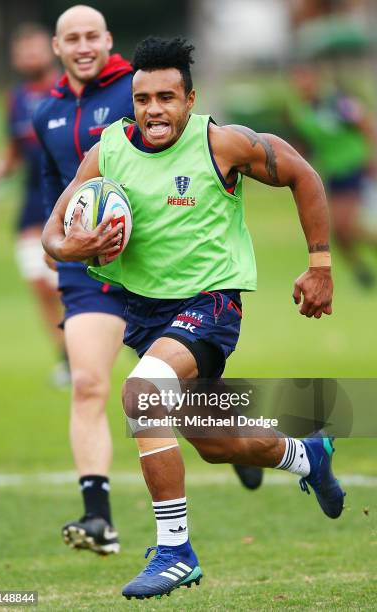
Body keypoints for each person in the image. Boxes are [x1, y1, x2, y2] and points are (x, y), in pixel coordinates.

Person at [41, 37, 345, 599]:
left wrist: (320, 265)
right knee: (215, 441)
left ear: (189, 99)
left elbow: (303, 173)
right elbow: (52, 235)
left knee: (142, 394)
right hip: (145, 317)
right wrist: (74, 247)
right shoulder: (108, 151)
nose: (153, 109)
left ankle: (176, 551)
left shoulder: (222, 144)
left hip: (210, 305)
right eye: (142, 98)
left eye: (166, 97)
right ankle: (309, 454)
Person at [33, 5, 135, 556]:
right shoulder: (45, 111)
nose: (83, 45)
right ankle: (99, 519)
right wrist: (57, 243)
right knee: (89, 384)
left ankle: (251, 446)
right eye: (71, 38)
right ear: (58, 47)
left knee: (180, 402)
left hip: (147, 266)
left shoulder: (135, 93)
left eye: (92, 35)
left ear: (107, 39)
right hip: (82, 271)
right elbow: (54, 187)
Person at [0, 24, 67, 385]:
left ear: (52, 50)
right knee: (41, 287)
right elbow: (14, 149)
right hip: (32, 204)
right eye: (23, 50)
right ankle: (67, 359)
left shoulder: (69, 90)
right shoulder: (14, 99)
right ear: (16, 58)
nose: (30, 56)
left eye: (36, 49)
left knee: (71, 286)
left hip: (70, 200)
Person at [288, 63, 376, 288]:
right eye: (297, 80)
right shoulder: (302, 112)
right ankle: (362, 273)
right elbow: (305, 146)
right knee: (339, 233)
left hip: (354, 167)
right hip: (333, 173)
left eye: (305, 78)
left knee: (346, 226)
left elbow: (366, 125)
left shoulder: (337, 102)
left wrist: (372, 158)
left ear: (316, 79)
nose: (302, 85)